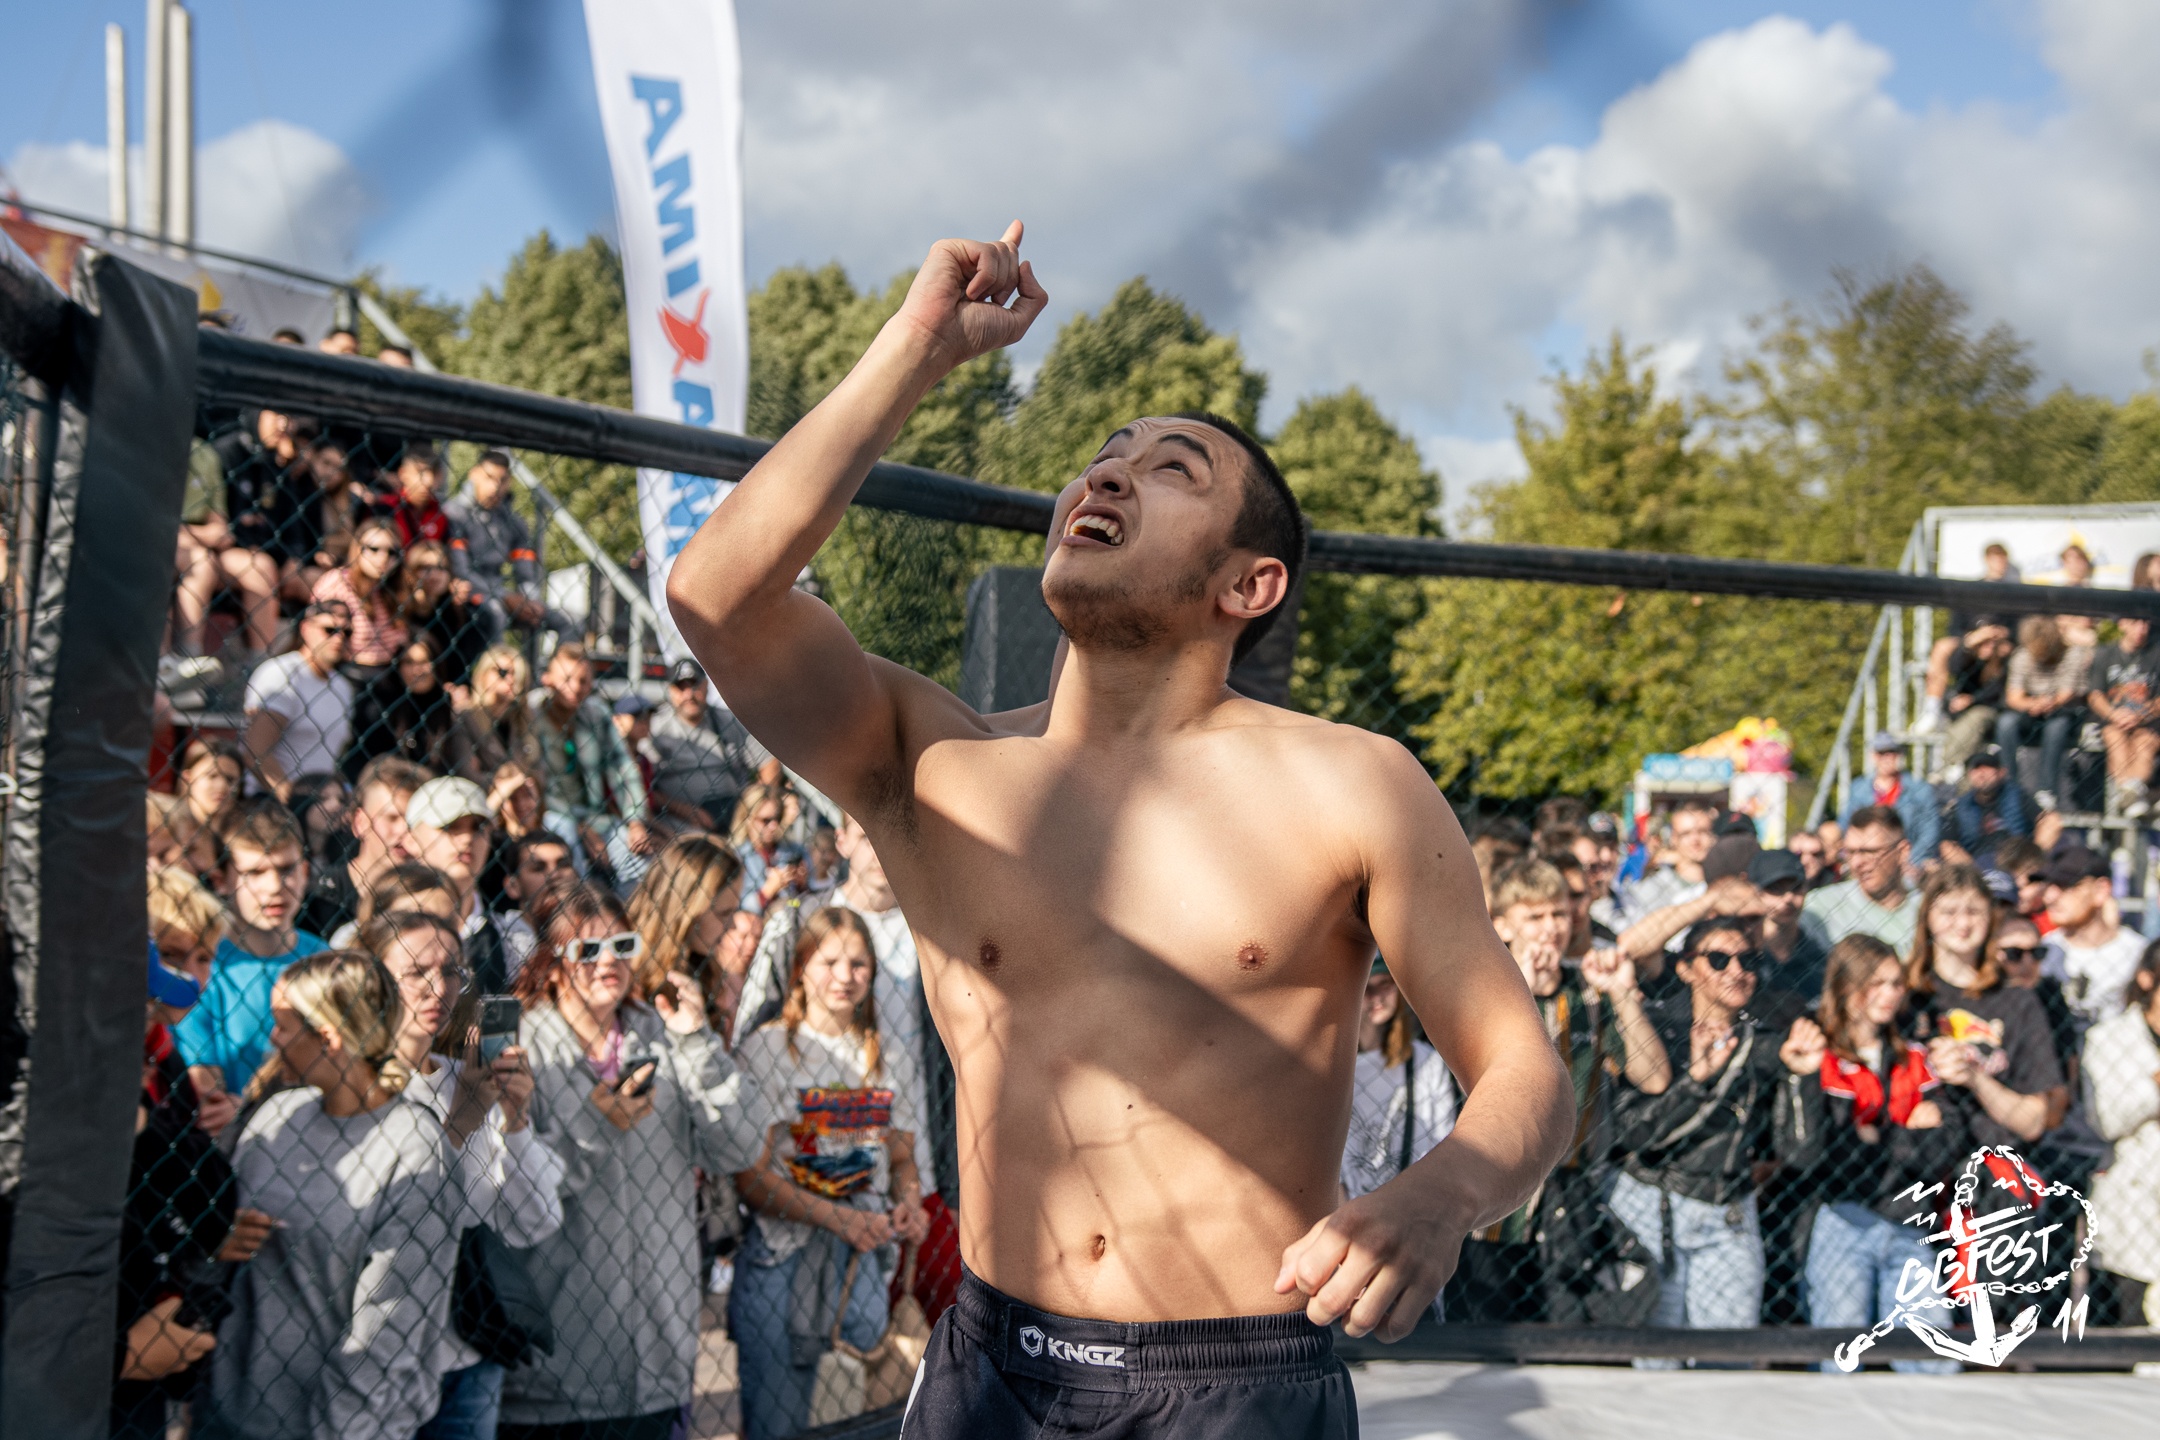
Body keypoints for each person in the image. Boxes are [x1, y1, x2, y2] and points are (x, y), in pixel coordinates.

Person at [666, 224, 1572, 1433]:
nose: (1105, 478)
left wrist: (1442, 1194)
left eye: (1171, 470)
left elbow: (1524, 1070)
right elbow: (716, 597)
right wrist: (918, 347)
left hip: (1235, 1383)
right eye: (1102, 459)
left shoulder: (1354, 787)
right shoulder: (934, 763)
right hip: (991, 1369)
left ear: (1248, 585)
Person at [502, 884, 755, 1440]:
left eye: (622, 945)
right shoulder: (522, 1049)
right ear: (552, 963)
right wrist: (596, 1125)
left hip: (660, 1351)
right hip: (558, 1362)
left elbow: (737, 1147)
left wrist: (697, 1040)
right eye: (587, 950)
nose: (608, 962)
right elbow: (515, 1198)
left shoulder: (662, 1030)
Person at [206, 950, 459, 1440]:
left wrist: (339, 1430)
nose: (272, 1038)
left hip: (340, 1425)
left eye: (282, 1026)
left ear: (327, 1037)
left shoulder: (413, 1148)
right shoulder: (276, 1117)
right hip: (232, 1409)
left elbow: (389, 1323)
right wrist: (218, 1239)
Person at [738, 814, 963, 1313]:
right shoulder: (799, 921)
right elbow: (757, 1020)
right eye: (866, 836)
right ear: (841, 841)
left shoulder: (936, 929)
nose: (880, 851)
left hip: (915, 1142)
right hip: (814, 1157)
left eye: (892, 837)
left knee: (922, 1304)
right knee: (821, 1314)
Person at [363, 909, 565, 1440]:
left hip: (468, 1354)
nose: (438, 988)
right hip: (379, 1355)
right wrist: (465, 1119)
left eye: (451, 970)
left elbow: (535, 1220)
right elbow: (401, 1219)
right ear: (373, 977)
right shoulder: (355, 1090)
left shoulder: (467, 1076)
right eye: (415, 972)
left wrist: (515, 1121)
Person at [731, 906, 931, 1440]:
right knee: (779, 1424)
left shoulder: (890, 1057)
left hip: (859, 1266)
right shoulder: (767, 1049)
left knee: (853, 1424)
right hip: (782, 1261)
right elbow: (750, 1179)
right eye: (830, 962)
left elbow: (902, 1157)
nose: (845, 976)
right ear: (800, 967)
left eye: (859, 964)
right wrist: (839, 1219)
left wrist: (910, 1202)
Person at [1452, 860, 1666, 1324]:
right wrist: (1522, 994)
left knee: (1568, 1335)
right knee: (1489, 1332)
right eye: (1534, 917)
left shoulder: (1589, 991)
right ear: (1503, 925)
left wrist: (1623, 995)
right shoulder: (1479, 988)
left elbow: (1652, 1077)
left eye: (1558, 914)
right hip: (1494, 1193)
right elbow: (1469, 1078)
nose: (1550, 928)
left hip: (1571, 1194)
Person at [1606, 918, 1818, 1331]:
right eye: (1719, 959)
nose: (1736, 971)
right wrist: (1696, 1083)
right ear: (1686, 968)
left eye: (1748, 960)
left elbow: (1800, 1152)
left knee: (1729, 1354)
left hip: (1729, 1214)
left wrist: (1801, 1076)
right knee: (1656, 1354)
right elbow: (1633, 1134)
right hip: (1651, 1206)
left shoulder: (1767, 1041)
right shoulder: (1655, 1028)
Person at [1778, 935, 1965, 1368]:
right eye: (1876, 983)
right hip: (1843, 1216)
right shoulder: (1820, 1055)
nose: (1890, 994)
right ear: (1846, 986)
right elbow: (1821, 1153)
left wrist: (1876, 1135)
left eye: (1896, 983)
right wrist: (1905, 1131)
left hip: (1910, 1218)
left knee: (1932, 1357)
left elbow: (1947, 1144)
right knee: (1841, 1354)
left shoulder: (1913, 1057)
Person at [115, 942, 239, 1439]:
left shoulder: (161, 1063)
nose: (155, 1021)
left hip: (146, 1351)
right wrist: (117, 1357)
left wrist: (147, 1131)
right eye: (142, 1007)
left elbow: (213, 1206)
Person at [174, 801, 329, 1134]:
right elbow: (209, 1096)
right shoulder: (203, 965)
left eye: (286, 869)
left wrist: (246, 1109)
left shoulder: (326, 959)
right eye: (255, 873)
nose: (275, 886)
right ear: (221, 880)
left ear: (304, 872)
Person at [1903, 865, 2068, 1150]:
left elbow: (2033, 1122)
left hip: (1993, 1157)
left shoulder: (2017, 1001)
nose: (1962, 923)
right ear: (1927, 917)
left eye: (1973, 912)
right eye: (1949, 912)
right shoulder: (1905, 994)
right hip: (1918, 1152)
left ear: (1989, 918)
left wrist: (1974, 1078)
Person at [527, 642, 654, 882]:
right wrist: (581, 827)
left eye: (583, 681)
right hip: (553, 814)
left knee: (639, 865)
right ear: (548, 679)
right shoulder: (533, 711)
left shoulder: (596, 712)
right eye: (567, 679)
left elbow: (622, 765)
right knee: (569, 857)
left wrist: (635, 820)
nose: (575, 688)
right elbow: (535, 778)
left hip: (597, 817)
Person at [2082, 940, 2160, 1327]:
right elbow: (2107, 1118)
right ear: (2148, 980)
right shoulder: (2109, 1038)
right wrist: (2154, 1086)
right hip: (2134, 1203)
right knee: (2127, 1330)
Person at [299, 755, 427, 944]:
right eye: (392, 818)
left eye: (415, 820)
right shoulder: (319, 900)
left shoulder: (432, 895)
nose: (404, 830)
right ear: (360, 823)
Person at [239, 600, 353, 803]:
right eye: (330, 630)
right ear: (305, 628)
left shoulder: (342, 687)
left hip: (320, 805)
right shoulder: (280, 673)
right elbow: (255, 750)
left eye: (347, 632)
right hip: (269, 801)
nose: (339, 638)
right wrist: (293, 802)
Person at [406, 776, 511, 994]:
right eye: (449, 827)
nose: (467, 839)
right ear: (411, 840)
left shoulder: (511, 935)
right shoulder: (373, 932)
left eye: (478, 827)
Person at [625, 834, 747, 1020]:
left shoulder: (706, 970)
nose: (732, 925)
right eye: (724, 913)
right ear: (686, 912)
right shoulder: (626, 974)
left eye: (734, 910)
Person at [648, 657, 771, 832]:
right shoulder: (656, 728)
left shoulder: (727, 720)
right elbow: (644, 784)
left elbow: (768, 762)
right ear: (670, 691)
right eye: (681, 687)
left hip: (736, 809)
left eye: (694, 685)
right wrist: (684, 810)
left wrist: (759, 803)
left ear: (706, 686)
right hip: (679, 816)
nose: (689, 695)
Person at [445, 451, 553, 639]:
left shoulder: (513, 521)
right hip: (470, 590)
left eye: (502, 480)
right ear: (474, 474)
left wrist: (529, 599)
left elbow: (526, 571)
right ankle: (497, 659)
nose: (495, 487)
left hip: (502, 590)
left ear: (509, 481)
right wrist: (504, 597)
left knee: (564, 620)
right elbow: (461, 571)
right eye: (489, 477)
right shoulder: (454, 514)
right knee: (496, 613)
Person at [2041, 843, 2147, 1029]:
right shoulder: (2041, 952)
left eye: (2067, 885)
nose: (2050, 897)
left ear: (2101, 890)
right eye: (2049, 885)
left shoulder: (2138, 953)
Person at [343, 632, 470, 780]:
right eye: (409, 662)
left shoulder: (449, 709)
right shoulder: (381, 710)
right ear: (398, 667)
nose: (417, 670)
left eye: (424, 661)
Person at [1999, 614, 2092, 812]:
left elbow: (2068, 693)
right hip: (2030, 709)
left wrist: (2050, 702)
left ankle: (2046, 790)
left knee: (2056, 727)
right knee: (2006, 723)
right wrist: (2032, 704)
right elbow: (2013, 696)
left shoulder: (2071, 654)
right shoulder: (2022, 656)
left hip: (2063, 711)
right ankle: (2009, 785)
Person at [1802, 805, 1919, 952]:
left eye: (1870, 852)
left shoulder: (1928, 907)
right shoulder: (1819, 908)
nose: (1857, 863)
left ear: (1902, 852)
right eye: (1850, 852)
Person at [310, 517, 409, 682]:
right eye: (374, 549)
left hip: (390, 672)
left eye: (392, 552)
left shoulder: (390, 589)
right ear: (357, 549)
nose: (383, 558)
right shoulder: (338, 583)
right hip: (348, 672)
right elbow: (321, 634)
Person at [2086, 613, 2160, 818]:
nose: (2141, 629)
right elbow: (2095, 695)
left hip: (2148, 721)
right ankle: (2137, 796)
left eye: (2145, 623)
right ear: (2122, 624)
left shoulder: (2156, 653)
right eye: (2135, 623)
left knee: (2144, 743)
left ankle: (2128, 795)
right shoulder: (2105, 653)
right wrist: (2114, 714)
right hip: (2114, 720)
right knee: (2114, 738)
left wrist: (2139, 714)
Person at [400, 537, 489, 689]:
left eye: (441, 568)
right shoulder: (402, 609)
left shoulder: (456, 610)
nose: (434, 574)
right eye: (426, 567)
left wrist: (462, 608)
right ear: (411, 572)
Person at [1840, 734, 1939, 864]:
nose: (1887, 758)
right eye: (1881, 753)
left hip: (1909, 858)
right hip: (1868, 857)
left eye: (1892, 752)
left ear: (1899, 755)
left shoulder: (1919, 789)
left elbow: (1930, 830)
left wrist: (1912, 860)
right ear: (1873, 756)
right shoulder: (1858, 788)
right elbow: (1845, 824)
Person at [457, 645, 548, 783]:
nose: (511, 679)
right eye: (502, 672)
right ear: (482, 675)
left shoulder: (523, 720)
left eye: (517, 674)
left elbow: (539, 772)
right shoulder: (465, 718)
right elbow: (467, 774)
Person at [1618, 798, 1717, 924]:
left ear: (1713, 835)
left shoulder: (1724, 881)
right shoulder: (1650, 888)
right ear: (1673, 838)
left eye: (1702, 831)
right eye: (1686, 833)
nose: (1695, 840)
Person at [495, 832, 579, 981]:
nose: (554, 875)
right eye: (538, 868)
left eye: (563, 865)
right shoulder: (497, 937)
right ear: (513, 886)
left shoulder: (595, 931)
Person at [730, 783, 804, 917]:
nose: (774, 826)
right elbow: (735, 908)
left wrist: (801, 885)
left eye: (777, 818)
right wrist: (768, 891)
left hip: (788, 916)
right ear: (747, 818)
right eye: (766, 820)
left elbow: (796, 902)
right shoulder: (734, 856)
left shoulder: (792, 850)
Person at [1948, 745, 2030, 864]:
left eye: (1987, 767)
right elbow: (1947, 843)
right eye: (1976, 768)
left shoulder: (2018, 796)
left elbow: (2049, 820)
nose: (1981, 773)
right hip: (1976, 865)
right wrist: (1971, 870)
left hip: (2015, 861)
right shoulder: (1961, 805)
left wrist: (2032, 858)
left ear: (2001, 772)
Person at [387, 441, 455, 549]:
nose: (429, 480)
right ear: (403, 473)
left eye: (433, 472)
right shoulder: (386, 507)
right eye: (420, 472)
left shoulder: (440, 515)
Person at [176, 737, 245, 833]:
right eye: (212, 776)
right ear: (187, 779)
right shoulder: (165, 831)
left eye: (230, 779)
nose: (222, 786)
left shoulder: (245, 832)